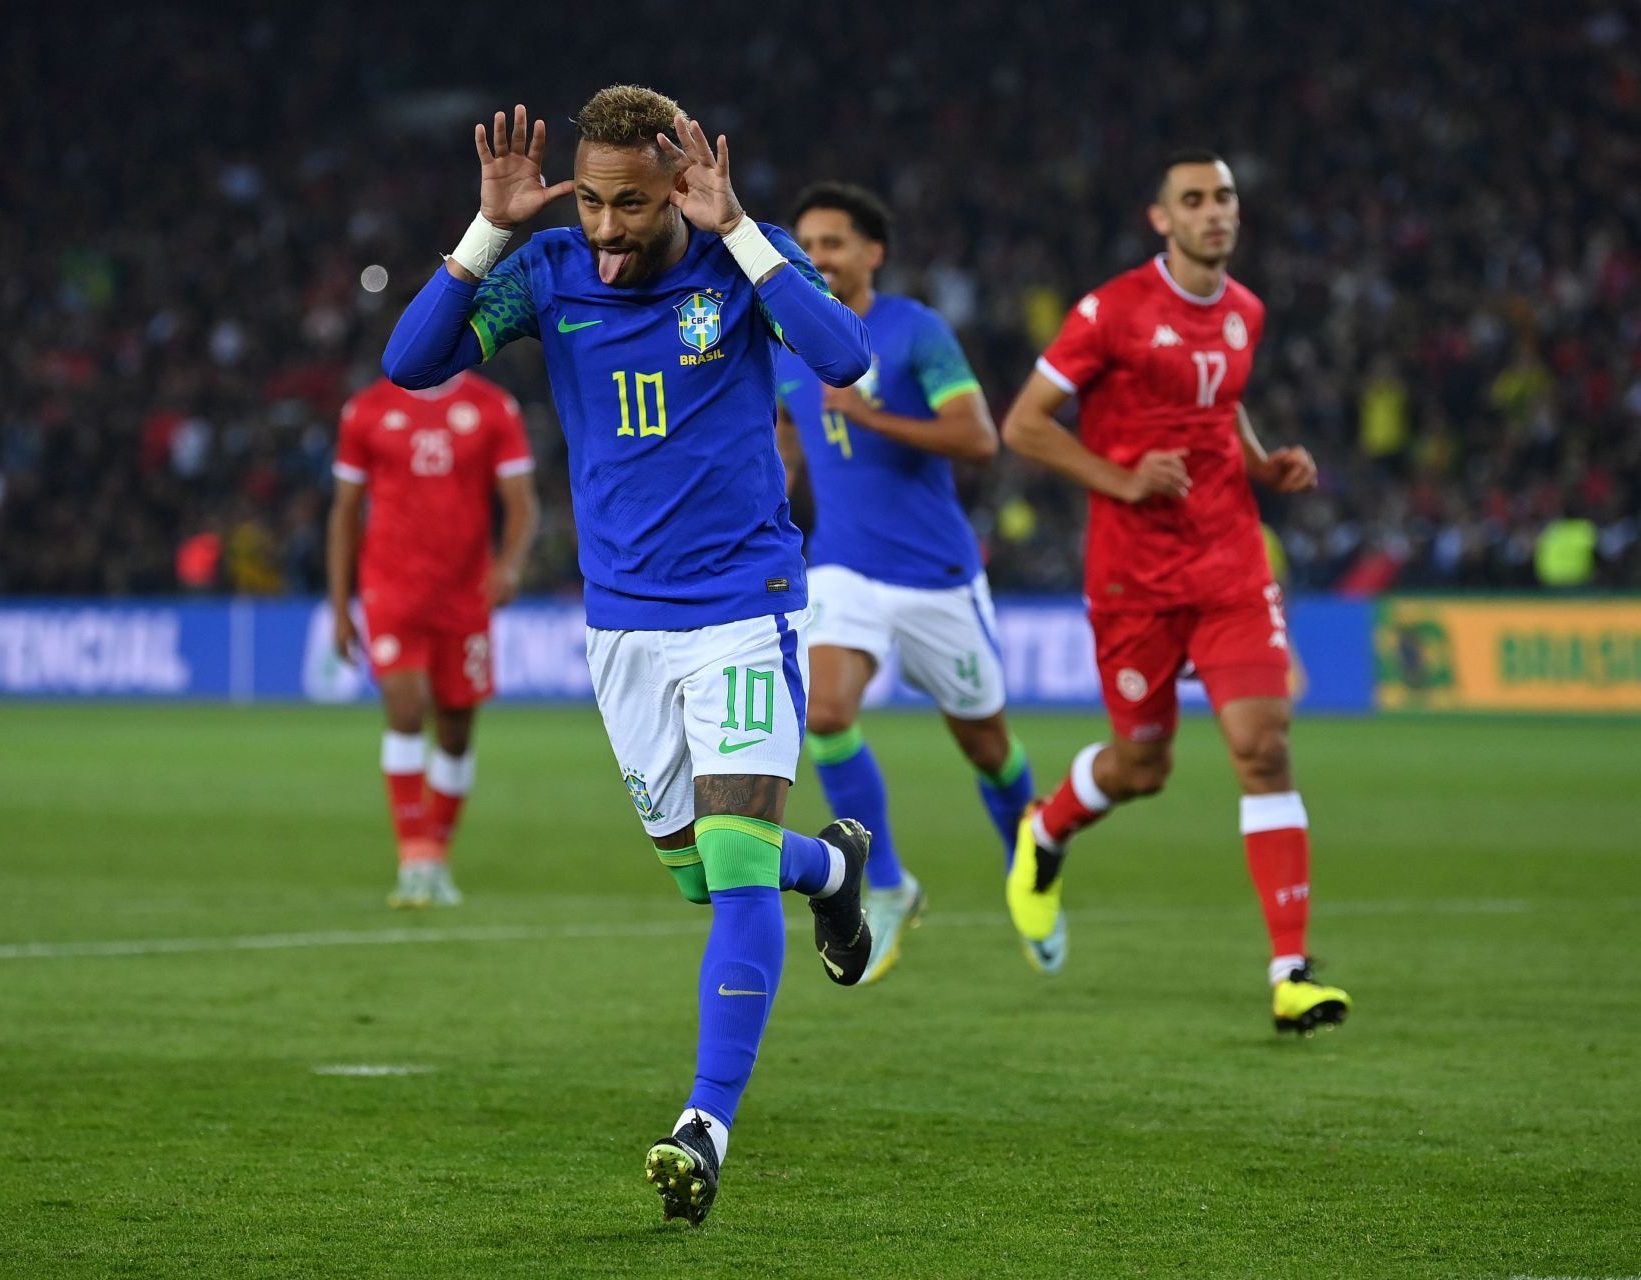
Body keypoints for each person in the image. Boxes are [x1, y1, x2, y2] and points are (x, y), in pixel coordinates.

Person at [381, 86, 876, 1225]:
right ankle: (834, 872)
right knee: (701, 867)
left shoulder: (735, 259)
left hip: (745, 605)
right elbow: (412, 364)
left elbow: (842, 354)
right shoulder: (548, 270)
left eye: (634, 206)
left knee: (735, 862)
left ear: (679, 187)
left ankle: (703, 1124)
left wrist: (741, 229)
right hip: (622, 625)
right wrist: (489, 230)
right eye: (594, 203)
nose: (607, 228)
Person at [998, 149, 1352, 1035]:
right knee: (1143, 767)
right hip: (1133, 579)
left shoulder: (1246, 313)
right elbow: (1024, 425)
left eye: (1224, 197)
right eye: (1193, 200)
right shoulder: (1111, 312)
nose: (1213, 213)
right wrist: (1118, 479)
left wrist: (1261, 460)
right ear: (1162, 219)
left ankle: (1292, 971)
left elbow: (1218, 404)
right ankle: (1046, 829)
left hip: (1229, 560)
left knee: (1261, 745)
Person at [774, 181, 1034, 985]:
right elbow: (788, 443)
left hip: (937, 576)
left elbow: (979, 435)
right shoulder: (787, 344)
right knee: (826, 711)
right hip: (844, 566)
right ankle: (887, 883)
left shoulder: (915, 330)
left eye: (834, 243)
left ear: (871, 253)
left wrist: (867, 414)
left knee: (987, 748)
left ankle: (1032, 864)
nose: (818, 258)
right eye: (807, 245)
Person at [326, 370, 539, 908]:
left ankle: (437, 858)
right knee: (405, 706)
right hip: (391, 587)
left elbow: (521, 502)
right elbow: (345, 512)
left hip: (466, 593)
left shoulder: (494, 407)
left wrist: (510, 565)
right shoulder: (365, 410)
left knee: (456, 729)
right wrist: (339, 606)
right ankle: (414, 856)